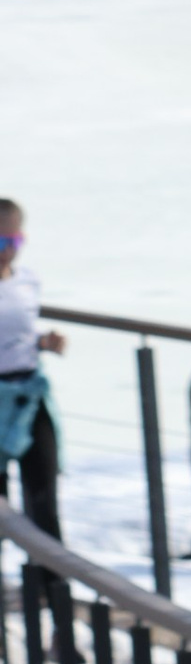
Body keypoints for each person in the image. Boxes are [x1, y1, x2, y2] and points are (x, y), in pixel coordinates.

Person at [0, 202, 65, 539]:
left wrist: (43, 342)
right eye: (0, 242)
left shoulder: (28, 281)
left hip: (29, 394)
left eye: (15, 241)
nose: (9, 250)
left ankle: (53, 588)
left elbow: (17, 335)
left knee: (44, 502)